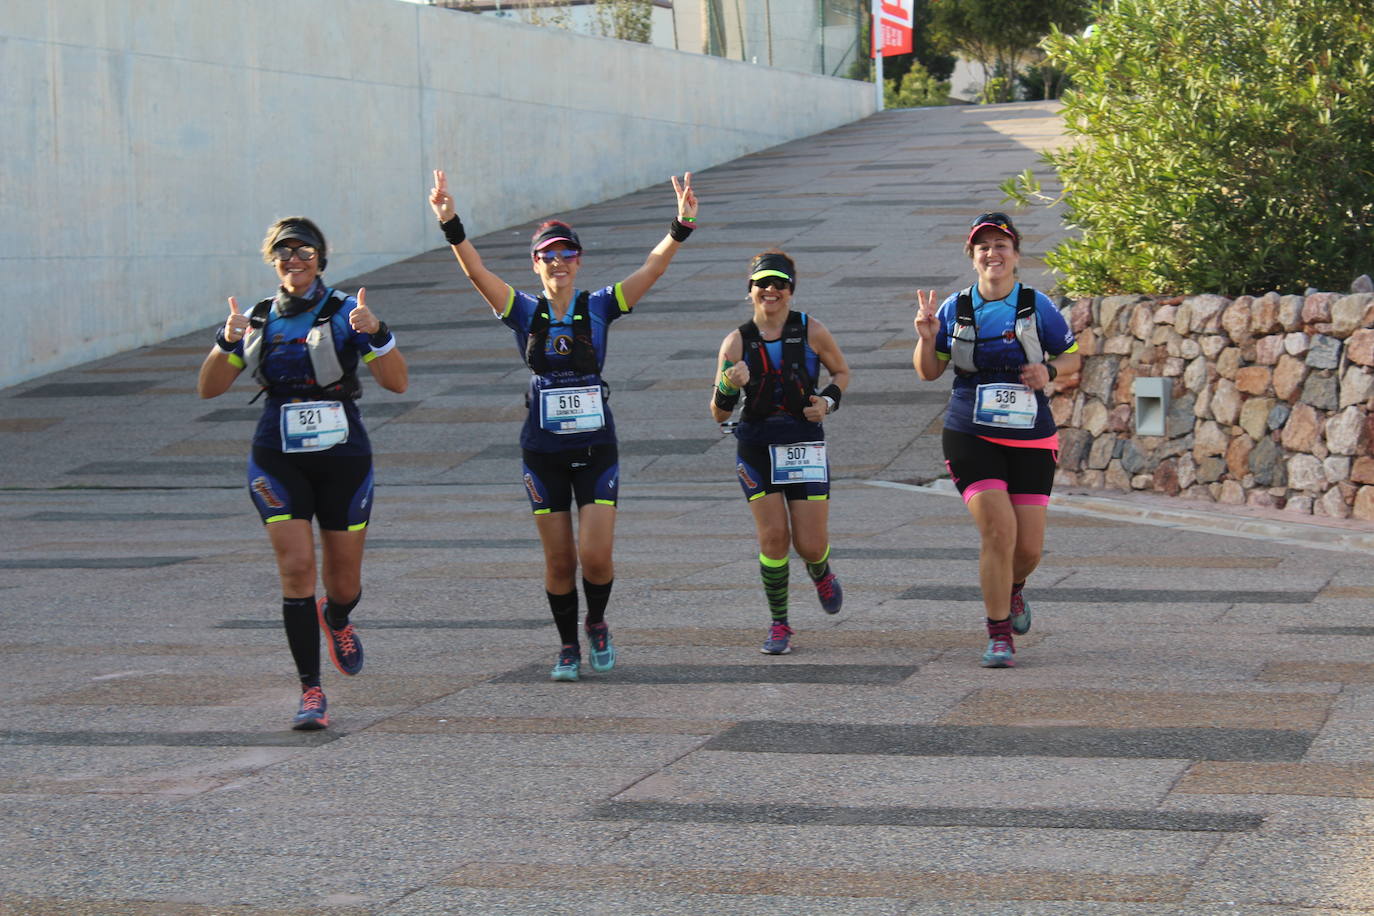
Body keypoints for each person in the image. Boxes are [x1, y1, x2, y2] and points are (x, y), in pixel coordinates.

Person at [427, 168, 698, 681]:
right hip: (543, 452)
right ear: (535, 265)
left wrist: (680, 226)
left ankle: (596, 621)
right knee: (558, 563)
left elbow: (652, 269)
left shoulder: (598, 305)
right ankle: (568, 645)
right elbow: (475, 273)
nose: (558, 263)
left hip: (596, 447)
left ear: (578, 261)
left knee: (595, 557)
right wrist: (450, 222)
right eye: (548, 256)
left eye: (566, 255)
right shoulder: (523, 311)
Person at [197, 217, 409, 728]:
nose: (295, 260)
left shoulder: (344, 313)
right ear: (273, 260)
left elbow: (398, 382)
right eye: (284, 253)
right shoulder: (258, 317)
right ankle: (311, 692)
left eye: (304, 251)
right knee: (296, 570)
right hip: (277, 454)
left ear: (321, 258)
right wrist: (227, 342)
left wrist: (377, 333)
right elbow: (208, 388)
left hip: (342, 456)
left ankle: (337, 618)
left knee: (342, 584)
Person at [912, 211, 1079, 668]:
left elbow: (1073, 358)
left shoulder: (1037, 304)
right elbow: (929, 372)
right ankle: (999, 633)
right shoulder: (954, 308)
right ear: (973, 257)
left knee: (1028, 550)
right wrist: (927, 339)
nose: (993, 253)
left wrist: (1049, 370)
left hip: (1030, 434)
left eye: (1001, 245)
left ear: (1016, 254)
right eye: (983, 246)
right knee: (998, 533)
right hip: (971, 431)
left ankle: (1014, 590)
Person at [710, 250, 851, 655]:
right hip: (756, 445)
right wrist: (729, 386)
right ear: (750, 290)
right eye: (763, 284)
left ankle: (820, 571)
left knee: (809, 543)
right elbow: (717, 412)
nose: (771, 290)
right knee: (773, 538)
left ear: (791, 290)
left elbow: (841, 372)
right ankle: (780, 623)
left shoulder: (812, 331)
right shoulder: (736, 342)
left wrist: (827, 402)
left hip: (803, 443)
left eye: (780, 284)